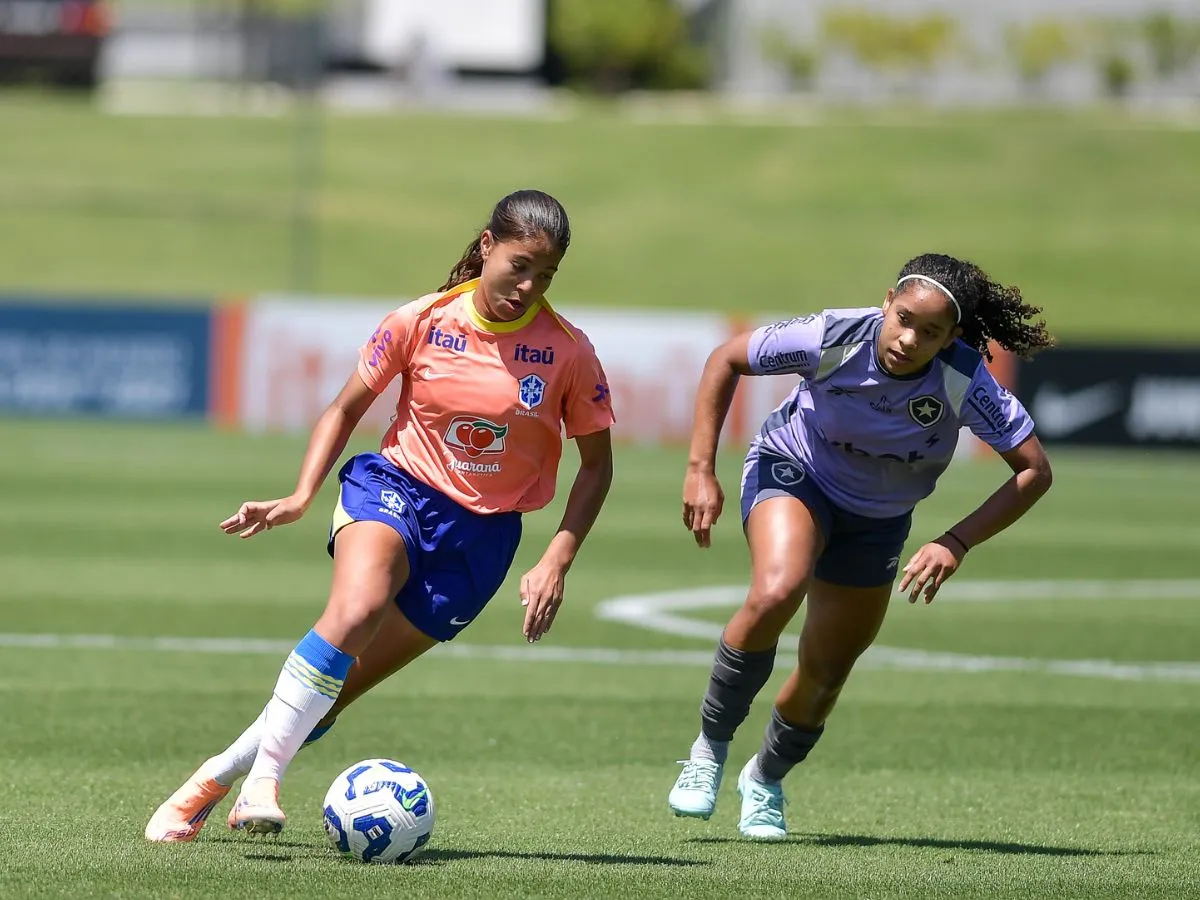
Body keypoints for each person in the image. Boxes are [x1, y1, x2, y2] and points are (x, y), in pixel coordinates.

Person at [145, 189, 615, 842]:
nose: (530, 285)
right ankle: (264, 781)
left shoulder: (568, 350)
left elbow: (597, 464)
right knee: (358, 608)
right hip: (396, 490)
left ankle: (212, 779)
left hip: (481, 541)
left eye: (547, 275)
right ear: (487, 247)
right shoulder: (420, 320)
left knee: (337, 688)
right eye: (520, 265)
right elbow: (343, 409)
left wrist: (557, 556)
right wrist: (301, 494)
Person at [667, 252, 1055, 840]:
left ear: (951, 337)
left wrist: (956, 541)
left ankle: (765, 779)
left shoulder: (963, 379)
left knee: (826, 671)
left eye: (930, 333)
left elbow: (1034, 471)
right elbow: (727, 358)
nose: (908, 339)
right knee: (778, 589)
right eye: (902, 319)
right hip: (792, 469)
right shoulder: (832, 335)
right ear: (886, 303)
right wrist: (701, 468)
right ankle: (707, 752)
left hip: (879, 517)